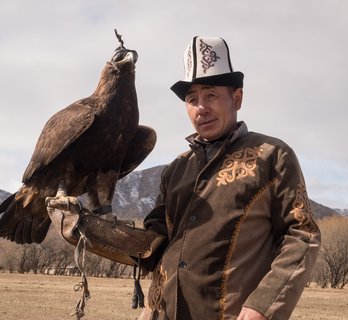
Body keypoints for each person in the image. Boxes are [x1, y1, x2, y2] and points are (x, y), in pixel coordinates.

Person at [137, 36, 321, 320]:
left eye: (210, 95)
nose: (201, 108)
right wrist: (97, 231)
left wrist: (263, 305)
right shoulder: (176, 169)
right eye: (192, 99)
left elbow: (302, 235)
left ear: (237, 98)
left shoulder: (272, 156)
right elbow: (155, 242)